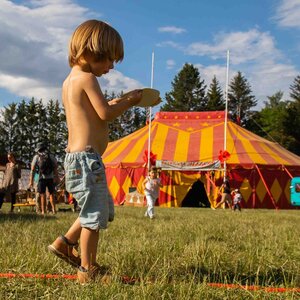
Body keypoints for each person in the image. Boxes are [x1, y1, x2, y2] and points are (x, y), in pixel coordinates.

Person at [47, 19, 146, 284]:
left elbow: (93, 112)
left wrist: (117, 101)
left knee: (95, 207)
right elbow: (105, 113)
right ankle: (86, 270)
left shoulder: (71, 80)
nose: (112, 67)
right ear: (92, 51)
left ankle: (65, 243)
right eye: (110, 60)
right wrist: (129, 101)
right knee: (93, 217)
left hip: (78, 159)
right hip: (87, 159)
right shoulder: (88, 77)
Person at [29, 142, 58, 215]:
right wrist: (56, 177)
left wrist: (31, 181)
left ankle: (43, 211)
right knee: (51, 194)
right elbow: (55, 167)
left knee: (42, 194)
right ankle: (54, 210)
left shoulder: (37, 157)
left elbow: (32, 169)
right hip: (50, 178)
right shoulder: (50, 156)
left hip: (41, 178)